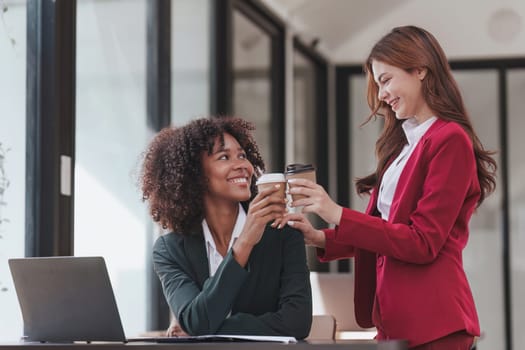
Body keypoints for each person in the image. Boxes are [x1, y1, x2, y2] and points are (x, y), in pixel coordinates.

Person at [280, 26, 497, 349]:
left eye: (385, 80)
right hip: (393, 321)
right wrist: (321, 237)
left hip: (434, 323)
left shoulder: (449, 140)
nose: (380, 95)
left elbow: (422, 242)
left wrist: (336, 213)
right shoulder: (402, 148)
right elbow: (387, 232)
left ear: (420, 70)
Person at [139, 116, 312, 339]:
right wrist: (244, 244)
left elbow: (297, 323)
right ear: (194, 174)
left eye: (242, 155)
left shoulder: (284, 235)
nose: (242, 165)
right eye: (224, 157)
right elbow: (196, 321)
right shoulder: (170, 249)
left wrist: (211, 329)